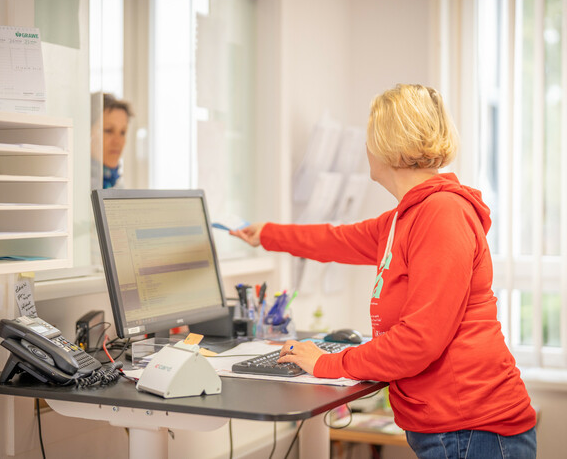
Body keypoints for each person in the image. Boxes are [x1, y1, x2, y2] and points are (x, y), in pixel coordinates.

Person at [230, 84, 537, 459]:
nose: (366, 147)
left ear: (388, 144)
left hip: (474, 429)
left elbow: (419, 340)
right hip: (448, 427)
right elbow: (336, 240)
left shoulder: (442, 214)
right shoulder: (404, 218)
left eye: (369, 136)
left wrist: (328, 362)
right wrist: (267, 234)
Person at [91, 92, 133, 189]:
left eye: (122, 132)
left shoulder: (117, 184)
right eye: (108, 130)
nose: (117, 142)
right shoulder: (75, 182)